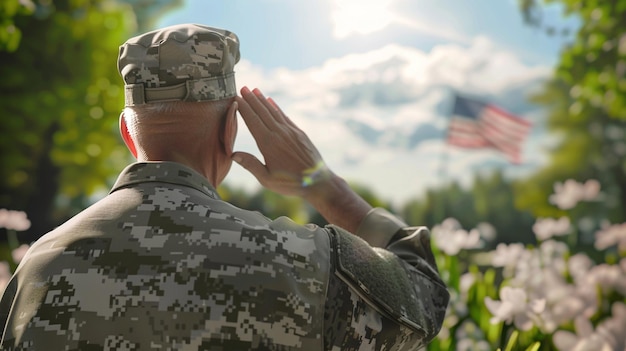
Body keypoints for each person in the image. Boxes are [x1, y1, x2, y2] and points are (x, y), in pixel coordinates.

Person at [0, 23, 449, 350]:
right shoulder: (304, 264)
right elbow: (424, 298)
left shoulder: (38, 267)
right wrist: (325, 187)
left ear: (127, 132)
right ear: (231, 128)